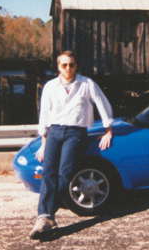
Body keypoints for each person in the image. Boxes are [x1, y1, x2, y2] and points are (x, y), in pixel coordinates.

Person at [29, 50, 114, 239]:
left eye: (71, 65)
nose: (68, 68)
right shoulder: (50, 86)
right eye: (64, 65)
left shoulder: (86, 84)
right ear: (58, 67)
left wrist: (109, 129)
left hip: (75, 133)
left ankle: (48, 214)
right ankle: (44, 217)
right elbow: (44, 113)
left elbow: (102, 103)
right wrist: (43, 141)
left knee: (64, 173)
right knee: (48, 172)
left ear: (76, 66)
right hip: (54, 132)